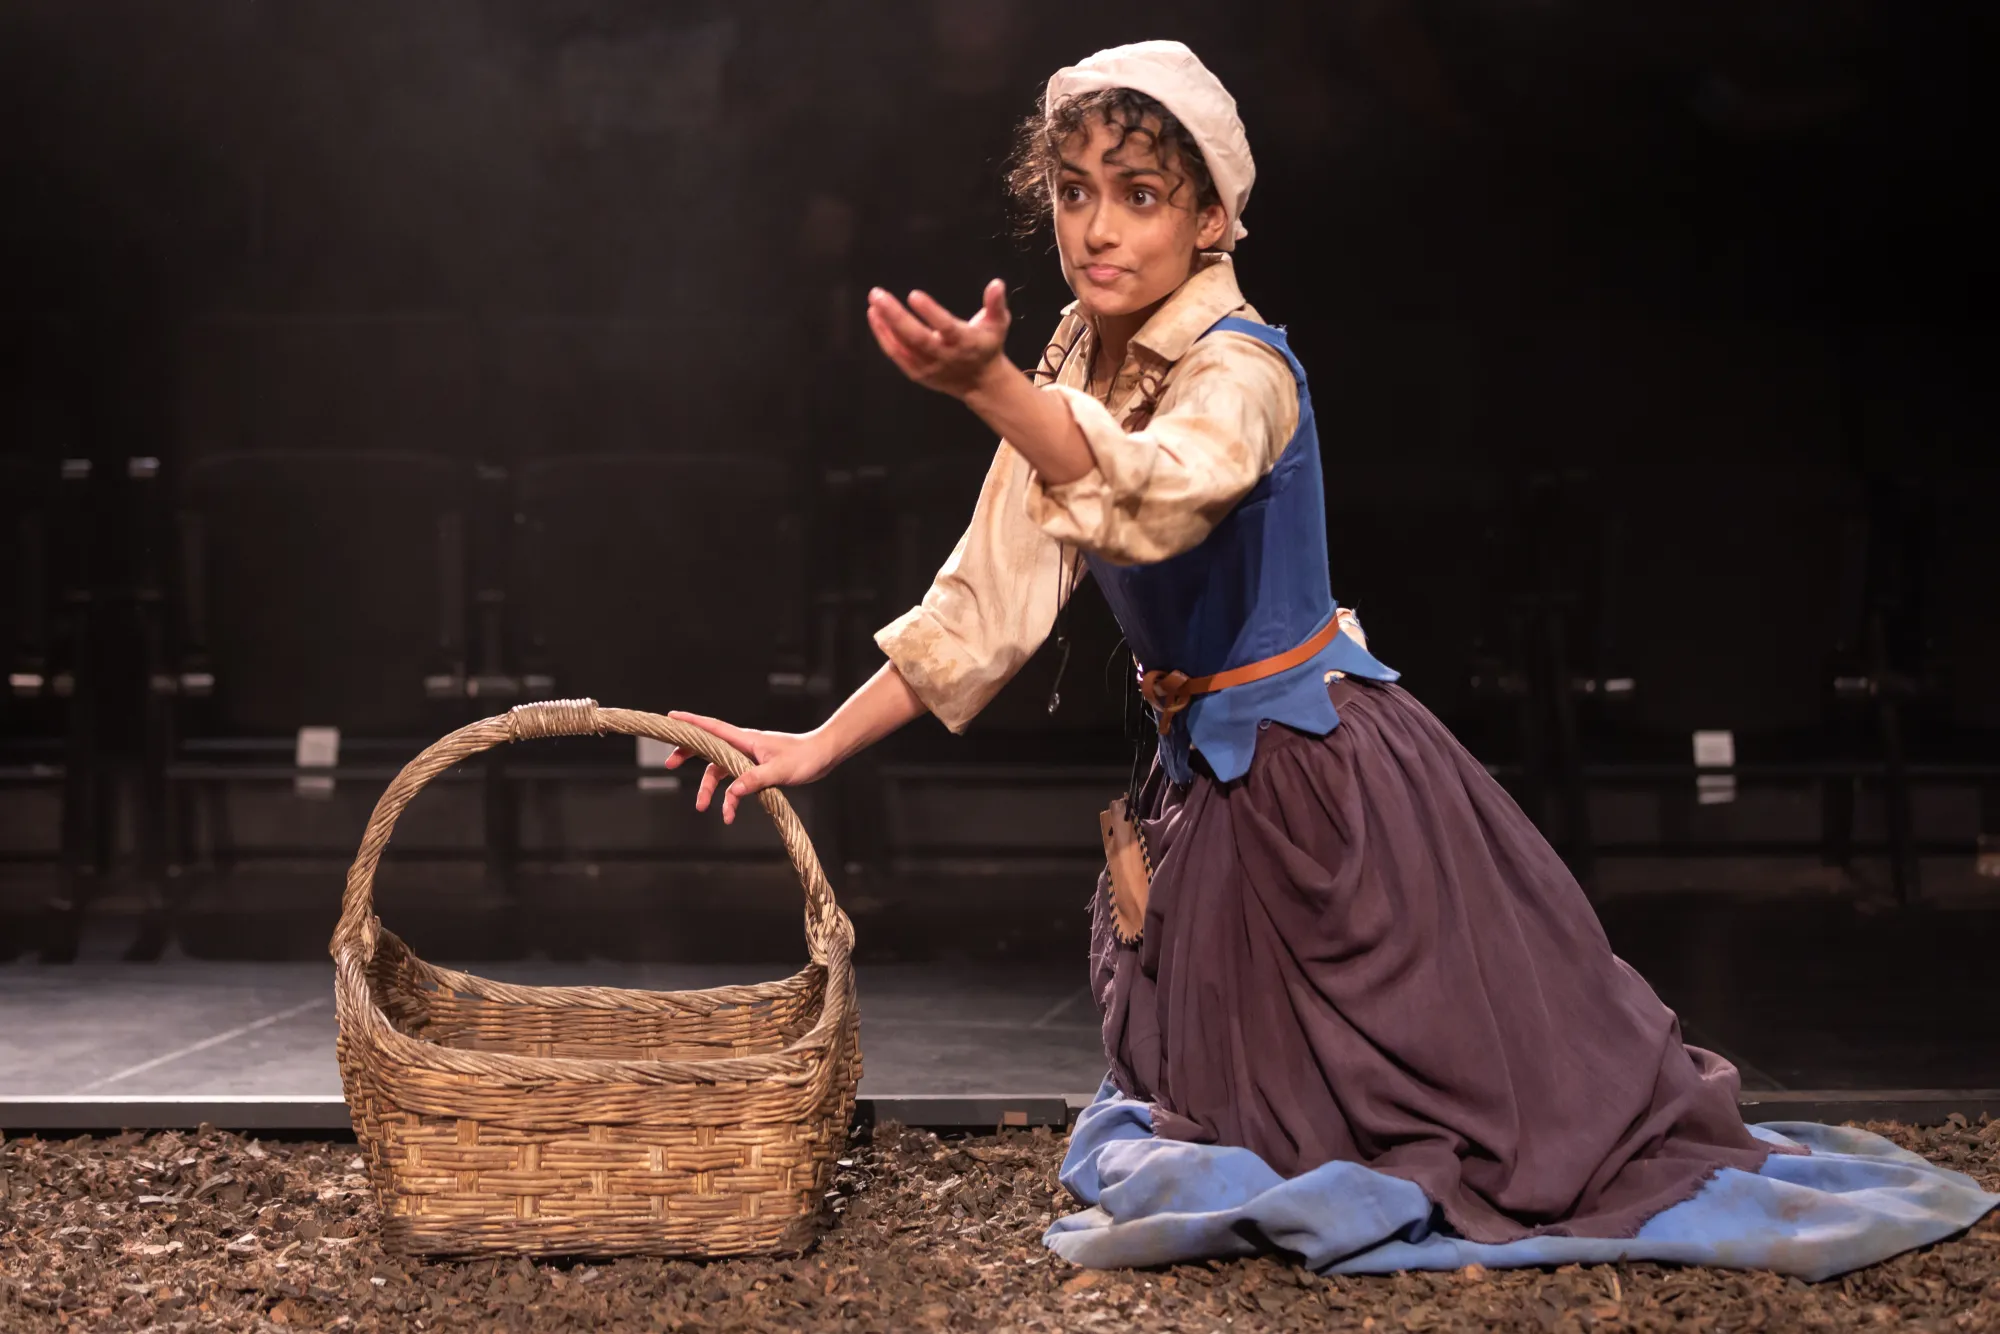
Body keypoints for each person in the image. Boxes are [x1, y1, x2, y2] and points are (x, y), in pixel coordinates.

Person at [664, 39, 1787, 1244]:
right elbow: (988, 594)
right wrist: (818, 744)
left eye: (1139, 194)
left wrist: (994, 392)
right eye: (1074, 191)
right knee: (1232, 1101)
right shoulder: (1076, 350)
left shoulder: (1240, 367)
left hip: (1313, 778)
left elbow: (1158, 497)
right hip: (1201, 771)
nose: (1097, 227)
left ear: (1210, 220)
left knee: (1412, 1114)